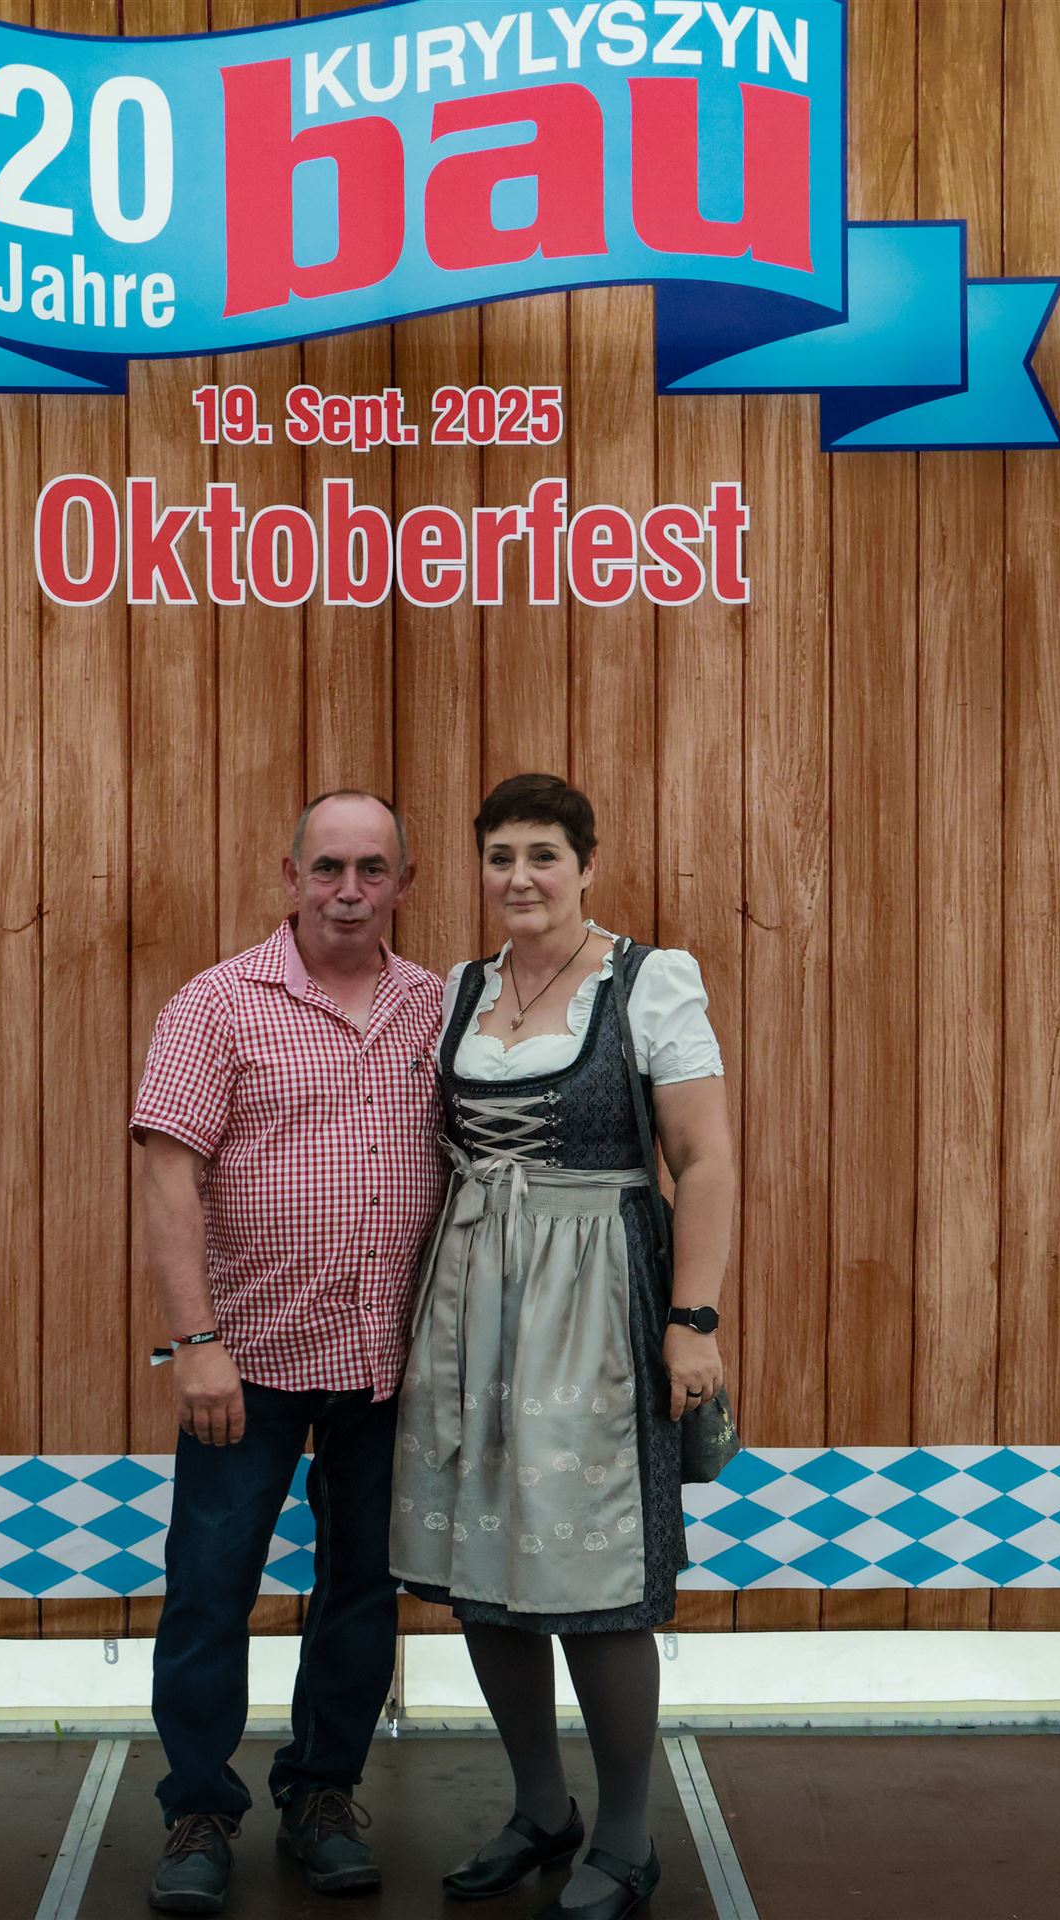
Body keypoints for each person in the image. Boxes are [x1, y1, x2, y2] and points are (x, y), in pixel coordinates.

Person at [390, 773, 736, 1920]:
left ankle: (627, 1838)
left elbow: (705, 1161)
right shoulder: (461, 989)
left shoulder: (648, 981)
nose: (520, 876)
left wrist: (692, 1320)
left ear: (587, 864)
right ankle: (541, 1808)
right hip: (469, 1296)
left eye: (543, 853)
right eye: (500, 856)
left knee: (598, 1574)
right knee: (483, 1564)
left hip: (598, 1296)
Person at [132, 791, 446, 1915]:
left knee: (360, 1590)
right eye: (327, 868)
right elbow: (168, 1173)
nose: (348, 891)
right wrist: (195, 1342)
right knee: (209, 1589)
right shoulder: (217, 1003)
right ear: (290, 874)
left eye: (371, 870)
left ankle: (321, 1796)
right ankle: (198, 1812)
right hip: (246, 1361)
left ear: (403, 882)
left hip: (388, 1363)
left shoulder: (439, 1008)